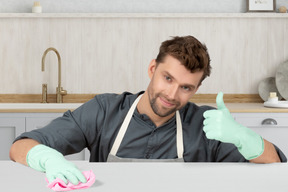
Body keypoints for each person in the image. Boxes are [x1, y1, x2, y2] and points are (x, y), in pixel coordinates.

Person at [10, 36, 287, 185]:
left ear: (196, 89)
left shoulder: (206, 125)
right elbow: (21, 147)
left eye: (186, 87)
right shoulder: (105, 110)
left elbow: (275, 167)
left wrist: (243, 137)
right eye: (168, 78)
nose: (172, 94)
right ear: (152, 68)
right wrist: (47, 159)